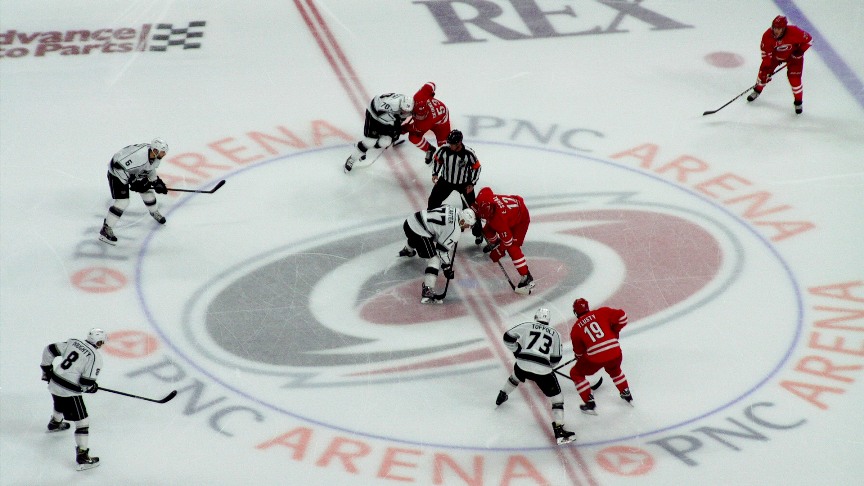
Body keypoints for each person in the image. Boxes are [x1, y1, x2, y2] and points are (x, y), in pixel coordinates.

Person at [495, 308, 576, 445]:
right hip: (542, 370)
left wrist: (517, 350)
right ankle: (559, 430)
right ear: (548, 320)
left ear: (536, 317)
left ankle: (502, 394)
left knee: (516, 376)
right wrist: (547, 366)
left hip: (522, 363)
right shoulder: (555, 334)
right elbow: (556, 358)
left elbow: (507, 337)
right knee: (557, 399)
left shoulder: (527, 325)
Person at [40, 328, 107, 471]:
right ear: (100, 343)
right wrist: (91, 387)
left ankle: (55, 423)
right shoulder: (95, 357)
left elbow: (49, 349)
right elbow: (85, 382)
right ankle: (82, 457)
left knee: (59, 402)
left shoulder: (74, 342)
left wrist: (46, 369)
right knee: (83, 422)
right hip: (69, 391)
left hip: (54, 382)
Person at [398, 205, 476, 304]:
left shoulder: (455, 210)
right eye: (468, 225)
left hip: (411, 220)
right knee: (434, 259)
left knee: (424, 234)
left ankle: (408, 250)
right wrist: (447, 267)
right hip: (417, 231)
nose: (468, 227)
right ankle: (427, 291)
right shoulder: (454, 230)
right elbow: (441, 251)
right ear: (462, 221)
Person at [567, 298, 633, 414]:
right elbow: (623, 317)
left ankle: (589, 402)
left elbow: (579, 352)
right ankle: (625, 392)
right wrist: (614, 331)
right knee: (614, 370)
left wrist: (580, 357)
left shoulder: (576, 328)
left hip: (596, 357)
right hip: (615, 351)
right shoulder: (602, 312)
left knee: (576, 373)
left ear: (575, 312)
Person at [99, 138, 170, 245]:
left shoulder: (155, 156)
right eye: (162, 152)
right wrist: (133, 182)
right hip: (117, 174)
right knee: (122, 202)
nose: (164, 155)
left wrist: (156, 182)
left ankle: (154, 212)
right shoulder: (139, 156)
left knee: (148, 193)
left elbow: (150, 168)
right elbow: (117, 166)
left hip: (133, 172)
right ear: (155, 150)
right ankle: (106, 229)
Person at [472, 187, 535, 294]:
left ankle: (526, 276)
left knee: (513, 248)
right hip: (510, 213)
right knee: (487, 230)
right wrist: (474, 220)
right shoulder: (484, 199)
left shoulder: (499, 219)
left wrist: (499, 251)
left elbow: (508, 241)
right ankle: (495, 242)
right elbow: (480, 198)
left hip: (521, 220)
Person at [746, 15, 813, 114]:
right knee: (762, 74)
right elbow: (766, 56)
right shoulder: (767, 36)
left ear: (784, 28)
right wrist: (765, 71)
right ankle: (757, 90)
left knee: (795, 80)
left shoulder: (794, 32)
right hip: (775, 57)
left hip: (793, 58)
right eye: (774, 28)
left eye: (779, 28)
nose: (776, 31)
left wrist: (800, 51)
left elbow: (809, 40)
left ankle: (798, 102)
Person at [427, 129, 484, 244]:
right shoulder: (444, 149)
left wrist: (472, 183)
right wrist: (435, 174)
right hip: (445, 181)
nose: (450, 145)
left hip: (464, 184)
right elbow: (437, 160)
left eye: (452, 144)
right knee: (433, 202)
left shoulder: (469, 153)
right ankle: (431, 228)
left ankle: (478, 233)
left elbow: (477, 167)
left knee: (472, 209)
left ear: (459, 143)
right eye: (449, 143)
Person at [344, 92, 414, 172]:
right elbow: (380, 115)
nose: (405, 112)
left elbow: (399, 119)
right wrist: (394, 129)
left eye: (407, 111)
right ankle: (352, 158)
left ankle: (363, 148)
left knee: (385, 142)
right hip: (374, 114)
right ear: (400, 104)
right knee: (370, 142)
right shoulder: (393, 105)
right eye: (403, 110)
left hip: (387, 117)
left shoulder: (408, 106)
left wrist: (394, 132)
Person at [401, 82, 451, 165]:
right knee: (413, 137)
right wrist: (431, 91)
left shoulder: (424, 123)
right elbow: (431, 84)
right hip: (435, 116)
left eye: (422, 116)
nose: (419, 118)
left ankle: (446, 161)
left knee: (444, 148)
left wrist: (401, 129)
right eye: (417, 115)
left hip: (442, 122)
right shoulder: (419, 96)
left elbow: (410, 128)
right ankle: (429, 149)